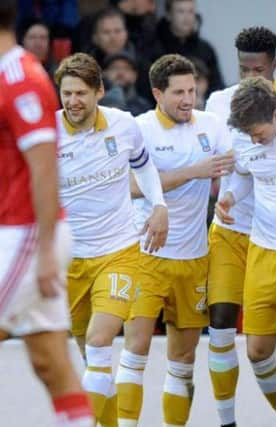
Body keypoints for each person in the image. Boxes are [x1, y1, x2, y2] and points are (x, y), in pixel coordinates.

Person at [204, 26, 276, 427]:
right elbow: (233, 163)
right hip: (231, 232)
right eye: (243, 68)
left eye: (258, 68)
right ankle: (227, 421)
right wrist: (225, 195)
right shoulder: (218, 103)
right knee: (219, 322)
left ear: (272, 65)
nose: (250, 76)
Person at [114, 54, 233, 427]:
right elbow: (127, 187)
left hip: (194, 257)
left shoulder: (211, 125)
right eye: (178, 92)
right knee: (135, 351)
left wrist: (231, 196)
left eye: (192, 90)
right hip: (145, 254)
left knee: (183, 362)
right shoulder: (139, 129)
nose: (187, 99)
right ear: (156, 94)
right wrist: (191, 172)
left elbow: (238, 163)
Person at [55, 52, 168, 424]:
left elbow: (143, 164)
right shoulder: (49, 133)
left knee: (101, 341)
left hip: (119, 252)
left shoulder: (123, 125)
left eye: (81, 93)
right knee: (91, 357)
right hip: (70, 260)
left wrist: (159, 205)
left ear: (99, 91)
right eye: (66, 93)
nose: (73, 101)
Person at [0, 2, 93, 426]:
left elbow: (44, 166)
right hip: (20, 234)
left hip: (27, 236)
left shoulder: (21, 79)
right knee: (51, 361)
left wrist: (45, 251)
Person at [155, 0, 224, 92]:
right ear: (169, 15)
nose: (187, 17)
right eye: (181, 11)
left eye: (190, 11)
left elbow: (217, 85)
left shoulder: (206, 49)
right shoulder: (155, 48)